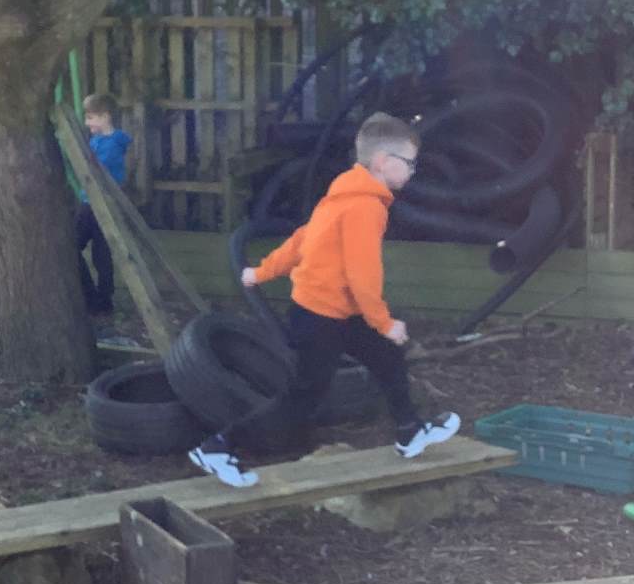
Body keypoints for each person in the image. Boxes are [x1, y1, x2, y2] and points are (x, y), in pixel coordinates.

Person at [187, 112, 461, 489]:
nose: (413, 171)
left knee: (386, 356)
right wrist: (384, 322)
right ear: (383, 161)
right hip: (321, 317)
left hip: (335, 310)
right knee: (304, 397)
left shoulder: (343, 193)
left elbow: (302, 239)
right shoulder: (365, 207)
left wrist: (262, 272)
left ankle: (409, 431)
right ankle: (218, 447)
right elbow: (363, 275)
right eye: (409, 163)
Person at [76, 93, 131, 314]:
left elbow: (98, 169)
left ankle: (99, 299)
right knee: (98, 251)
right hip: (91, 200)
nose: (87, 122)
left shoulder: (112, 144)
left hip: (97, 203)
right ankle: (99, 299)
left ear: (105, 117)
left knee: (88, 250)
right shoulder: (99, 140)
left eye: (91, 117)